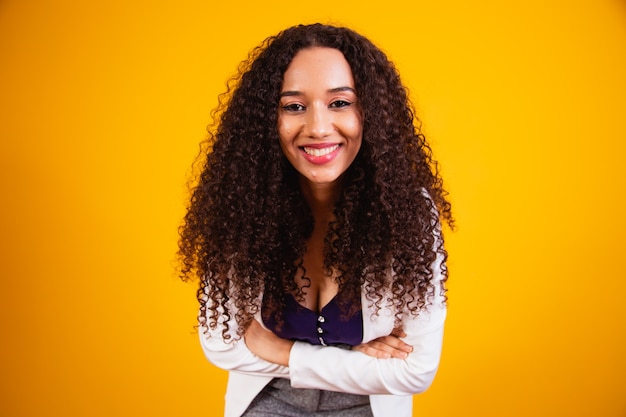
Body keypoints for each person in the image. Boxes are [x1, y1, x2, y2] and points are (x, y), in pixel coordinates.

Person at [178, 23, 454, 417]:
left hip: (366, 407)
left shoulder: (408, 212)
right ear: (265, 121)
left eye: (340, 102)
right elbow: (221, 344)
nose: (318, 128)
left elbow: (415, 372)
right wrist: (353, 359)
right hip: (267, 402)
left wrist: (283, 350)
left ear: (371, 112)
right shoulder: (242, 205)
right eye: (294, 106)